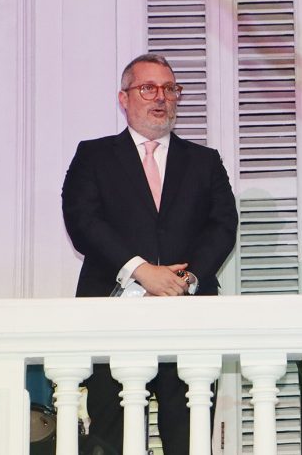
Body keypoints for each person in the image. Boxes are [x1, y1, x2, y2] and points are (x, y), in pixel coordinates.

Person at [62, 53, 238, 454]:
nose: (161, 97)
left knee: (189, 438)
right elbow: (83, 221)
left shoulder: (205, 161)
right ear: (123, 98)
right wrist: (142, 271)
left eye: (170, 88)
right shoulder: (93, 155)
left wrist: (185, 280)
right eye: (148, 88)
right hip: (112, 315)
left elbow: (223, 225)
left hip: (189, 314)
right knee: (114, 437)